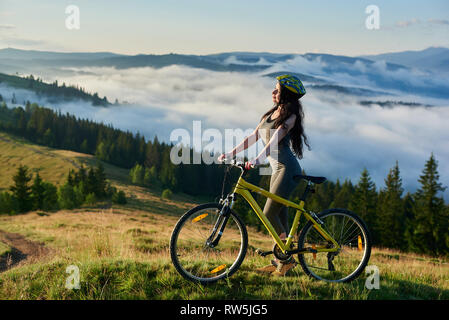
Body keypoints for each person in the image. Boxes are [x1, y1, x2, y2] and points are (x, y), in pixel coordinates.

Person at [218, 74, 310, 276]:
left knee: (268, 214)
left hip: (288, 169)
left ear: (286, 94)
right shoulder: (271, 113)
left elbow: (274, 139)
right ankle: (282, 263)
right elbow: (253, 136)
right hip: (277, 169)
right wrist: (230, 153)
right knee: (280, 214)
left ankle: (287, 258)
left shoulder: (291, 117)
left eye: (277, 89)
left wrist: (258, 160)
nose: (273, 92)